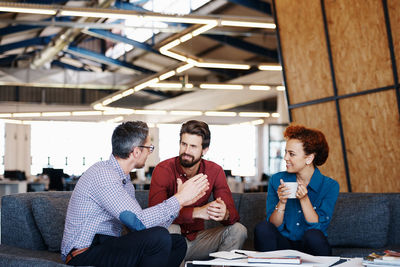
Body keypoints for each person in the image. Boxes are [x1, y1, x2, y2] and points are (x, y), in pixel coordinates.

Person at [61, 121, 209, 267]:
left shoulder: (125, 181)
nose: (149, 153)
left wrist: (180, 202)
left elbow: (142, 228)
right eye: (149, 148)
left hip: (106, 246)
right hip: (83, 254)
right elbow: (139, 222)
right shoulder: (104, 175)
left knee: (177, 243)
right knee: (159, 238)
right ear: (137, 152)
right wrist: (179, 198)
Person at [149, 120, 247, 262]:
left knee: (239, 230)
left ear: (204, 150)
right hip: (168, 243)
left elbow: (233, 215)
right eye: (184, 144)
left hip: (198, 241)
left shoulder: (215, 171)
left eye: (193, 146)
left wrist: (224, 213)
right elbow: (154, 215)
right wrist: (197, 212)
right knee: (172, 229)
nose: (186, 151)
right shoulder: (163, 169)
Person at [254, 124, 339, 256]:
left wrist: (304, 200)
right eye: (285, 152)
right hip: (283, 244)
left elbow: (318, 228)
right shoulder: (277, 180)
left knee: (314, 236)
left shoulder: (330, 186)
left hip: (310, 245)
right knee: (263, 228)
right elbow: (273, 225)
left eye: (291, 154)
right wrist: (281, 202)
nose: (285, 158)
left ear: (309, 158)